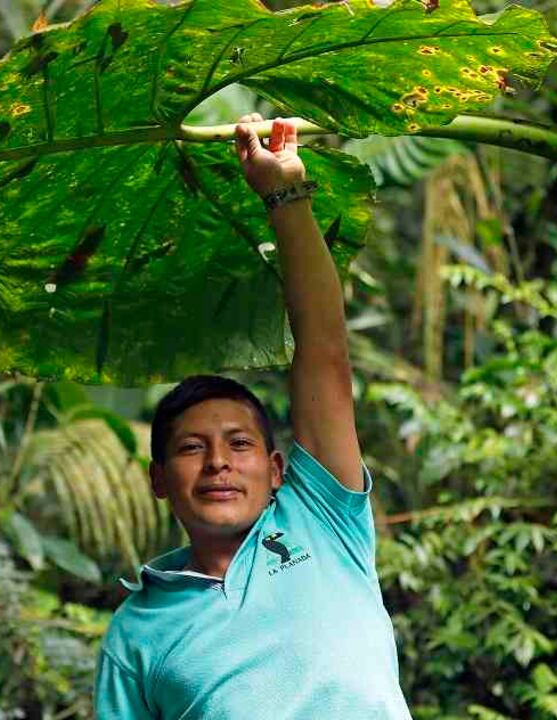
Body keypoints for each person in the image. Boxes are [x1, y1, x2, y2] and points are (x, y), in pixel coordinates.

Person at [93, 113, 411, 719]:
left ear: (275, 468)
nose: (218, 463)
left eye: (238, 444)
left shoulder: (322, 520)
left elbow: (324, 355)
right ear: (158, 480)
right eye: (191, 448)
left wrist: (286, 194)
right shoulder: (135, 636)